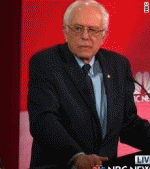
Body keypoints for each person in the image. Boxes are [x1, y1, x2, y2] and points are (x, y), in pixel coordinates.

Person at [28, 0, 150, 168]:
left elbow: (128, 124)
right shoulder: (46, 63)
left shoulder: (118, 65)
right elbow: (44, 121)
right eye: (78, 28)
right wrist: (76, 156)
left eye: (92, 30)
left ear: (104, 34)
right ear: (65, 30)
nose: (85, 36)